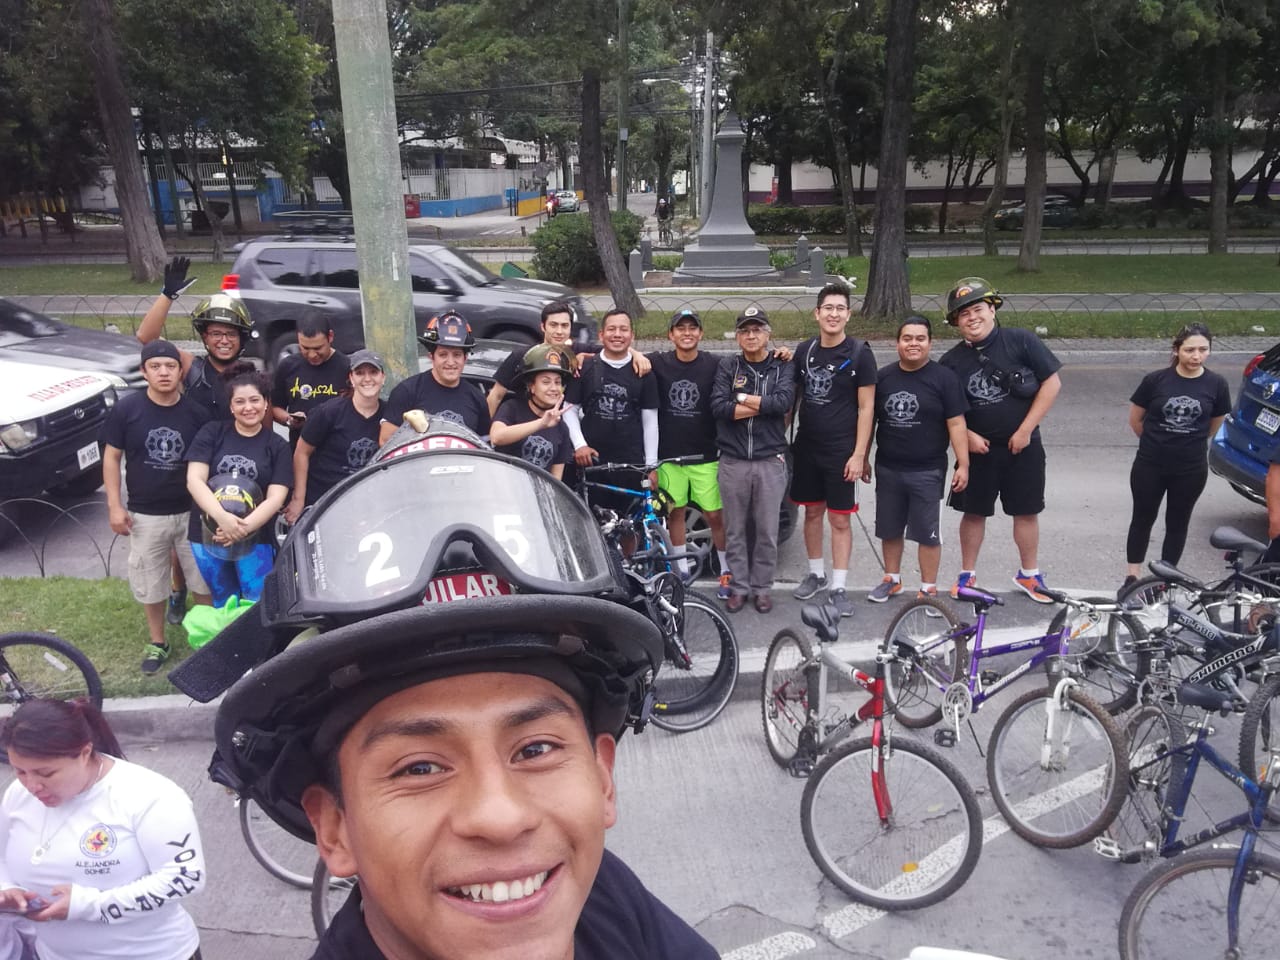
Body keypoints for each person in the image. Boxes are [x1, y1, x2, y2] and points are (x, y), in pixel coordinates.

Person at [166, 439, 719, 960]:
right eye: (421, 766)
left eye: (535, 749)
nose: (500, 819)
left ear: (602, 778)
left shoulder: (605, 899)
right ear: (333, 826)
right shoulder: (582, 892)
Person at [0, 698, 206, 960]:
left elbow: (185, 878)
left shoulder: (150, 796)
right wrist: (6, 889)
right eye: (20, 771)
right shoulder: (18, 795)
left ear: (85, 753)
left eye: (46, 774)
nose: (32, 785)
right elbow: (2, 855)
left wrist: (87, 906)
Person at [135, 256, 257, 624]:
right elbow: (147, 339)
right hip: (193, 461)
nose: (223, 340)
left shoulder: (250, 374)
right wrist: (167, 295)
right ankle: (178, 590)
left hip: (235, 465)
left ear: (241, 339)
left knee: (230, 531)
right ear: (204, 336)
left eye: (230, 334)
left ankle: (229, 591)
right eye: (216, 333)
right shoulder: (190, 365)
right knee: (186, 536)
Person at [939, 277, 1063, 603]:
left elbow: (1051, 384)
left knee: (1026, 511)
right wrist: (967, 436)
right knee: (974, 513)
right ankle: (967, 576)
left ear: (992, 309)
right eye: (963, 315)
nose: (972, 318)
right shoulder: (951, 362)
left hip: (1024, 447)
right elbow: (945, 411)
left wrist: (1025, 430)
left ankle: (1030, 575)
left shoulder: (1021, 341)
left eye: (978, 309)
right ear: (956, 322)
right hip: (978, 453)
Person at [101, 341, 211, 674]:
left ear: (180, 371)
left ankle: (204, 640)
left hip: (191, 512)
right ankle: (158, 641)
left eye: (171, 366)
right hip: (145, 514)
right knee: (151, 580)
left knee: (201, 581)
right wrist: (114, 506)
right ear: (144, 371)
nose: (164, 372)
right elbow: (111, 457)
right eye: (156, 366)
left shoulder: (196, 414)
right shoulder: (126, 410)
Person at [787, 282, 878, 617]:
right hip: (807, 448)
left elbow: (867, 408)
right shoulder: (804, 351)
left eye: (840, 308)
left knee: (840, 519)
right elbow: (792, 399)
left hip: (841, 451)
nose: (834, 314)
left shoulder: (859, 353)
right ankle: (816, 573)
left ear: (848, 315)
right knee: (812, 512)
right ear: (817, 313)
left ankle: (839, 586)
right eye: (828, 308)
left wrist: (859, 454)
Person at [865, 317, 970, 604]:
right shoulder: (883, 377)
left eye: (920, 338)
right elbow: (869, 421)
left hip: (927, 470)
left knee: (927, 533)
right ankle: (892, 579)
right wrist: (862, 458)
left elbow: (957, 424)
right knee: (889, 527)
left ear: (930, 343)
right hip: (888, 468)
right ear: (896, 343)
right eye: (907, 338)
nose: (913, 344)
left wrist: (964, 463)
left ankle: (928, 588)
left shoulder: (944, 379)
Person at [1123, 323, 1231, 589]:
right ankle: (1132, 576)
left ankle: (1165, 579)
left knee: (1177, 522)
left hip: (1190, 468)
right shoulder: (1155, 380)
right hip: (1150, 464)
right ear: (1177, 350)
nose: (1196, 356)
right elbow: (1136, 420)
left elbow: (1214, 424)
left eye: (1203, 350)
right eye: (1190, 350)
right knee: (1142, 518)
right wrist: (1157, 441)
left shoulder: (1217, 384)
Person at [710, 307, 796, 614]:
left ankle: (761, 588)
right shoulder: (728, 366)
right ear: (737, 336)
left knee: (766, 530)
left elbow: (783, 402)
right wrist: (763, 404)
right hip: (733, 460)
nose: (751, 335)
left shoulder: (782, 366)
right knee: (734, 530)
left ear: (768, 334)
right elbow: (719, 407)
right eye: (745, 331)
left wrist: (742, 398)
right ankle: (739, 587)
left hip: (769, 460)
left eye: (757, 330)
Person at [185, 365, 292, 610]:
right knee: (222, 599)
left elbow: (276, 498)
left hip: (257, 538)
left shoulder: (277, 446)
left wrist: (241, 529)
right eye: (240, 402)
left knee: (256, 600)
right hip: (208, 533)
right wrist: (222, 518)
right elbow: (194, 480)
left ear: (266, 404)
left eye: (255, 400)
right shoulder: (211, 433)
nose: (248, 408)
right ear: (231, 406)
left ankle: (258, 647)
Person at [648, 308, 731, 592]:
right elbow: (623, 356)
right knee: (676, 514)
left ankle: (726, 570)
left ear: (701, 333)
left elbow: (748, 366)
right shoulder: (657, 362)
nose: (687, 333)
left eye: (692, 328)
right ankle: (681, 572)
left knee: (716, 515)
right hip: (670, 458)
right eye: (680, 328)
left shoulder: (716, 364)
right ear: (671, 335)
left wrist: (781, 354)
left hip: (705, 457)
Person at [564, 308, 659, 514]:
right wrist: (580, 445)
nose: (617, 334)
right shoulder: (586, 366)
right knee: (592, 520)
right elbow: (569, 409)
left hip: (630, 463)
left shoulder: (643, 372)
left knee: (628, 525)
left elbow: (650, 420)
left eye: (623, 329)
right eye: (612, 329)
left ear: (632, 336)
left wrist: (651, 466)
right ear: (601, 335)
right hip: (592, 462)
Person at [285, 349, 388, 523]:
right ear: (352, 379)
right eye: (360, 373)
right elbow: (301, 453)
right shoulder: (328, 412)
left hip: (369, 503)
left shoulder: (390, 415)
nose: (367, 378)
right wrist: (298, 499)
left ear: (383, 378)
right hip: (325, 501)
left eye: (373, 372)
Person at [379, 312, 491, 443]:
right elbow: (385, 441)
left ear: (465, 358)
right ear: (431, 357)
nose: (450, 362)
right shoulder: (407, 392)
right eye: (443, 355)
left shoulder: (477, 398)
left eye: (457, 355)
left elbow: (484, 445)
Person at [490, 344, 574, 480]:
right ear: (532, 387)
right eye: (546, 382)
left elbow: (556, 481)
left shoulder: (561, 428)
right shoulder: (512, 408)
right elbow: (497, 437)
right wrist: (541, 423)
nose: (554, 388)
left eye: (558, 382)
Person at [270, 314, 351, 448]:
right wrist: (289, 419)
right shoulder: (288, 366)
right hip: (299, 450)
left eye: (318, 348)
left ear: (330, 337)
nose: (312, 355)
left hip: (337, 450)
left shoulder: (346, 367)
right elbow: (274, 407)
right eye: (305, 348)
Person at [487, 301, 578, 418]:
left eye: (564, 326)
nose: (559, 331)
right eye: (553, 325)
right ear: (543, 326)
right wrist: (486, 432)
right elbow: (496, 396)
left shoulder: (571, 358)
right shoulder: (521, 356)